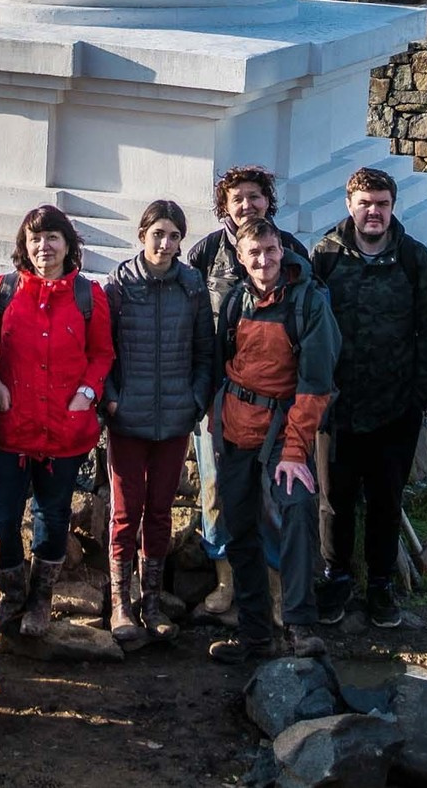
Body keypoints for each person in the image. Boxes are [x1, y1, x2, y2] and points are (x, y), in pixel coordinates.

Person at [309, 167, 427, 630]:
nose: (374, 212)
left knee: (386, 498)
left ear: (392, 207)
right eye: (366, 203)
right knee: (334, 500)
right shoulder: (324, 256)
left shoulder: (413, 259)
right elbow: (310, 329)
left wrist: (421, 395)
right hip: (337, 407)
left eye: (382, 204)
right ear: (350, 204)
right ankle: (337, 576)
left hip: (395, 407)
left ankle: (381, 584)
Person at [203, 217, 339, 664]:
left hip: (286, 428)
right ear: (241, 259)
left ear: (282, 250)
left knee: (297, 511)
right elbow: (223, 362)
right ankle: (255, 635)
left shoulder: (309, 303)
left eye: (271, 251)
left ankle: (300, 626)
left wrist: (297, 449)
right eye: (254, 254)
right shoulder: (235, 301)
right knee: (239, 527)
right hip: (236, 427)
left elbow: (316, 383)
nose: (264, 261)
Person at [0, 205, 114, 637]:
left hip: (64, 429)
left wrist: (87, 393)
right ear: (24, 244)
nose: (44, 246)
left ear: (68, 244)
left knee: (52, 515)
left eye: (52, 237)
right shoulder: (4, 291)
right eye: (35, 238)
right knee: (0, 515)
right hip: (11, 427)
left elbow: (102, 354)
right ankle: (13, 591)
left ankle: (41, 597)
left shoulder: (87, 296)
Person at [182, 165, 307, 622]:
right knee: (216, 489)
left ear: (267, 201)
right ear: (225, 207)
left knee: (272, 497)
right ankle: (224, 582)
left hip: (276, 399)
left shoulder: (288, 249)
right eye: (237, 199)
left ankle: (274, 589)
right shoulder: (206, 253)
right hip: (219, 391)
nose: (247, 205)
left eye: (254, 197)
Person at [102, 198, 215, 645]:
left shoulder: (191, 285)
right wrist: (111, 400)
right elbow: (102, 347)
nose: (165, 244)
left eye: (173, 237)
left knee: (161, 510)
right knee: (125, 512)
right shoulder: (119, 285)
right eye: (158, 234)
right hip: (127, 418)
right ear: (142, 235)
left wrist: (195, 399)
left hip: (174, 417)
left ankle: (152, 600)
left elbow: (204, 352)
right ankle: (120, 602)